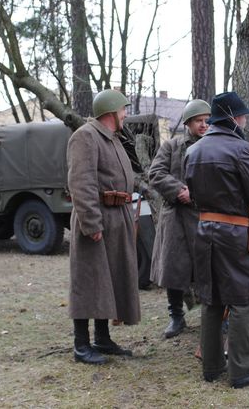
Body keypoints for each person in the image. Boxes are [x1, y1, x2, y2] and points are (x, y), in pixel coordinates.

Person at [184, 91, 249, 388]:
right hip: (236, 235)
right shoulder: (241, 149)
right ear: (235, 119)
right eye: (243, 116)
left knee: (211, 299)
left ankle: (211, 367)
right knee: (242, 301)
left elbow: (194, 194)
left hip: (203, 231)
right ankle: (241, 370)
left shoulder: (193, 151)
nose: (246, 120)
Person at [66, 89, 141, 365]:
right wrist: (91, 223)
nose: (125, 114)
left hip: (116, 215)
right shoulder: (85, 137)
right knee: (89, 281)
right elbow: (80, 183)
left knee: (108, 281)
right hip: (97, 216)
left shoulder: (112, 139)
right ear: (111, 112)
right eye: (123, 110)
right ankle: (81, 344)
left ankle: (102, 338)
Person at [149, 99, 210, 338]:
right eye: (198, 121)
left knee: (208, 270)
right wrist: (178, 190)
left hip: (205, 217)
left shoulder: (214, 145)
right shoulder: (172, 146)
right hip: (175, 217)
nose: (204, 125)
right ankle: (176, 317)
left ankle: (212, 317)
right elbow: (156, 173)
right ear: (188, 123)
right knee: (174, 269)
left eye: (207, 120)